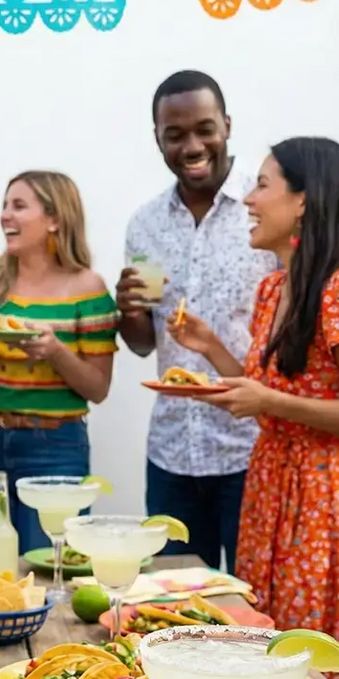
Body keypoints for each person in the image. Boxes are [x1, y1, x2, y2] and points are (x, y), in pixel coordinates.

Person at [168, 137, 339, 656]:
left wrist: (268, 404)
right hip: (267, 483)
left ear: (304, 202)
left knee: (305, 651)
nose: (247, 198)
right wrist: (211, 349)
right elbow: (266, 390)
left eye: (263, 184)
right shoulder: (272, 288)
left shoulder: (338, 289)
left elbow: (274, 401)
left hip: (320, 496)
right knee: (260, 636)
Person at [115, 70, 275, 571]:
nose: (192, 145)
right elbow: (143, 344)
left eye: (204, 128)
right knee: (173, 601)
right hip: (172, 450)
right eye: (175, 134)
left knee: (251, 602)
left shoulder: (266, 206)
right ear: (158, 138)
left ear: (227, 125)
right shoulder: (145, 223)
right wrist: (129, 312)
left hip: (252, 447)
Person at [0, 171, 117, 550]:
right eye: (5, 206)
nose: (6, 215)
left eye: (19, 206)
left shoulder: (88, 288)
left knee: (48, 562)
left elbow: (98, 389)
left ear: (55, 218)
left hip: (55, 446)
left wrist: (55, 351)